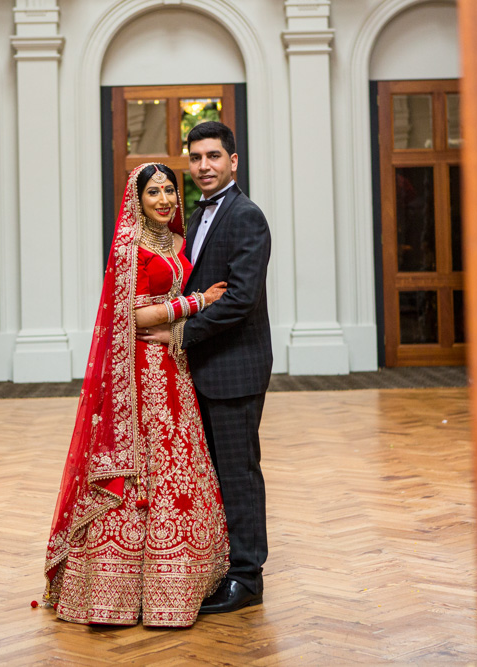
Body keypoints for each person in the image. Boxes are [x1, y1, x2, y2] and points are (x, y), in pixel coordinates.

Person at [43, 163, 231, 627]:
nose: (165, 199)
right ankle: (114, 594)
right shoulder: (132, 245)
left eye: (170, 190)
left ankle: (176, 587)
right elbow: (131, 317)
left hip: (174, 367)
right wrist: (198, 302)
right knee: (141, 470)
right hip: (140, 373)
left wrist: (182, 324)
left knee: (178, 465)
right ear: (138, 199)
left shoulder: (176, 243)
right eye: (154, 192)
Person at [139, 122, 273, 614]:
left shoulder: (246, 216)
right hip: (199, 369)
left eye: (213, 156)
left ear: (233, 161)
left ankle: (246, 577)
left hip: (234, 368)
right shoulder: (195, 216)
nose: (203, 166)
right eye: (195, 158)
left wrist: (177, 332)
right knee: (211, 473)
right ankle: (220, 564)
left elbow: (239, 300)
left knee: (237, 472)